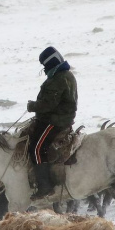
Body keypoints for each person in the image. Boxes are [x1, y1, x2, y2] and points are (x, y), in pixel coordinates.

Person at [26, 46, 77, 200]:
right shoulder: (62, 75)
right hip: (59, 117)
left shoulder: (59, 78)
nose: (44, 68)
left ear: (50, 63)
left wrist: (32, 106)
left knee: (36, 148)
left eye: (44, 65)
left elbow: (49, 104)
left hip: (56, 120)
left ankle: (45, 186)